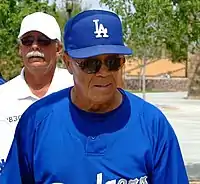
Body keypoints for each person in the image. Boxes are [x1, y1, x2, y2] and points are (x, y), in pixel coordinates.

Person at [0, 10, 189, 184]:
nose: (104, 72)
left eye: (113, 62)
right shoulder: (37, 122)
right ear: (68, 62)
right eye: (91, 64)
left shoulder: (152, 124)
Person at [0, 12, 73, 173]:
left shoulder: (77, 90)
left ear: (58, 48)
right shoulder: (2, 97)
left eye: (43, 41)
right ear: (20, 49)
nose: (34, 46)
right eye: (27, 41)